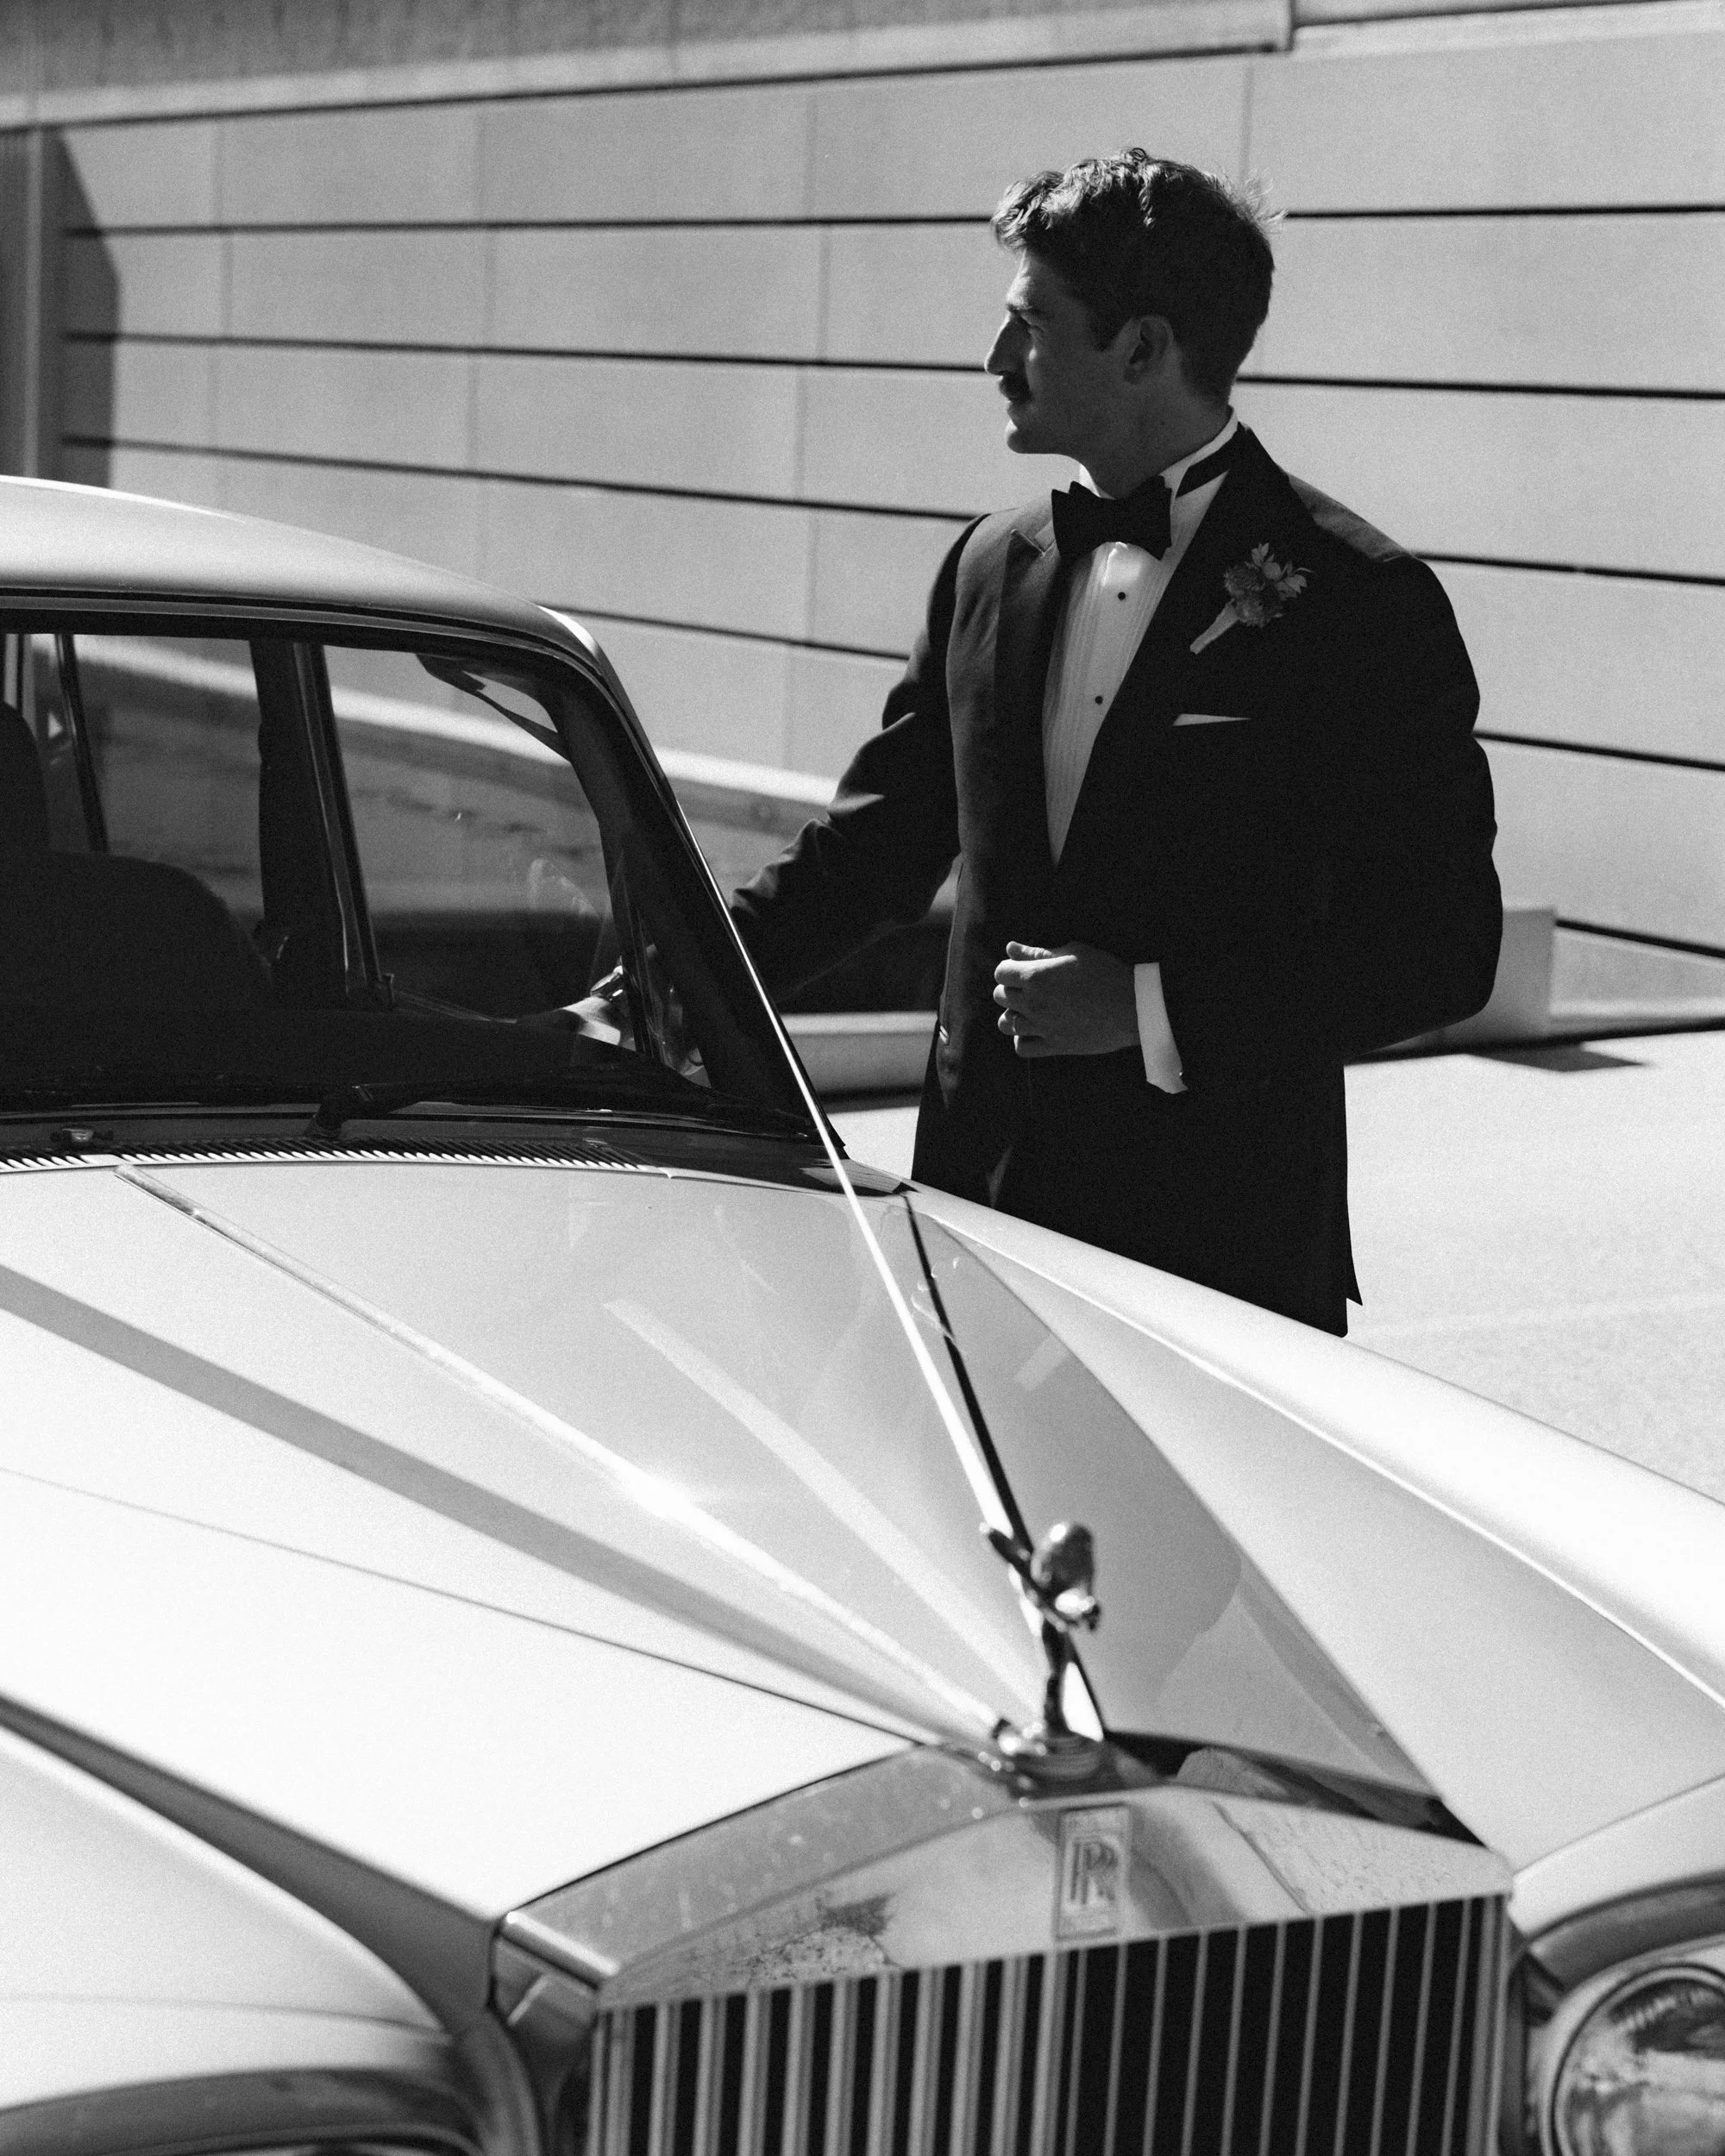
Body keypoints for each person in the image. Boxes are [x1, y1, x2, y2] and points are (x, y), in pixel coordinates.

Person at [731, 151, 1502, 1334]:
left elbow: (1437, 951)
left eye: (1029, 324)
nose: (994, 361)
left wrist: (1149, 1007)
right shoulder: (987, 565)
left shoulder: (1363, 603)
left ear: (1142, 351)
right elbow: (874, 854)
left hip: (1219, 1249)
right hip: (971, 1213)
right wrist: (671, 990)